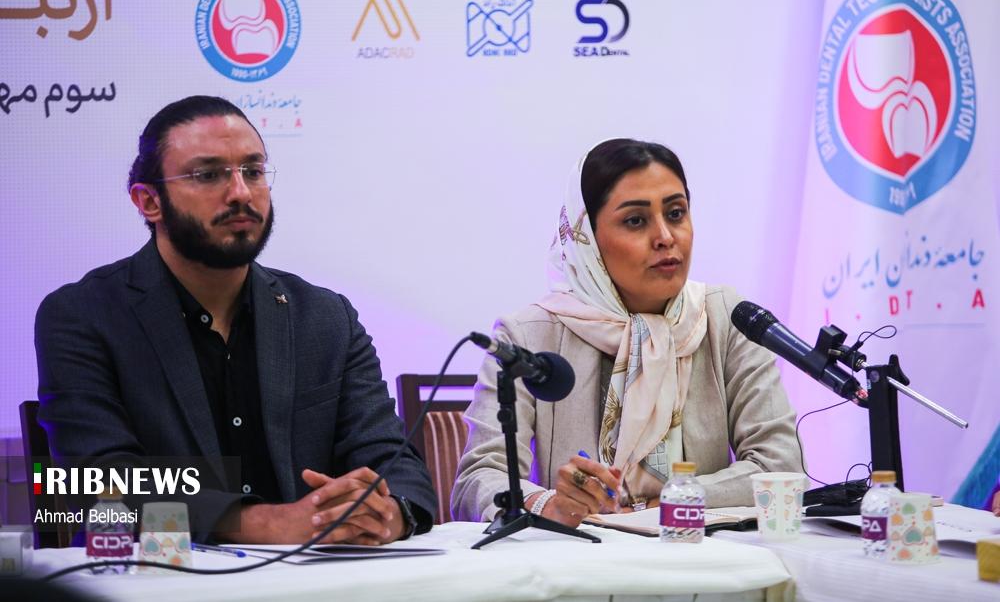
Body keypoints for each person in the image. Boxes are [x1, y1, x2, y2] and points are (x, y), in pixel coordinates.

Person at [35, 95, 435, 544]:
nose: (241, 193)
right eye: (208, 175)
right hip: (159, 573)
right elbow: (100, 488)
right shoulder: (84, 316)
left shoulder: (325, 318)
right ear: (149, 201)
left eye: (253, 171)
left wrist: (388, 513)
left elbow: (394, 461)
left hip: (316, 575)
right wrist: (271, 524)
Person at [452, 138, 803, 526]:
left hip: (701, 550)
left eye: (676, 213)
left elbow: (781, 465)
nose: (665, 237)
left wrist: (669, 501)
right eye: (635, 220)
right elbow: (477, 480)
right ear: (587, 238)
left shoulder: (724, 318)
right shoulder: (529, 336)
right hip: (581, 556)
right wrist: (547, 504)